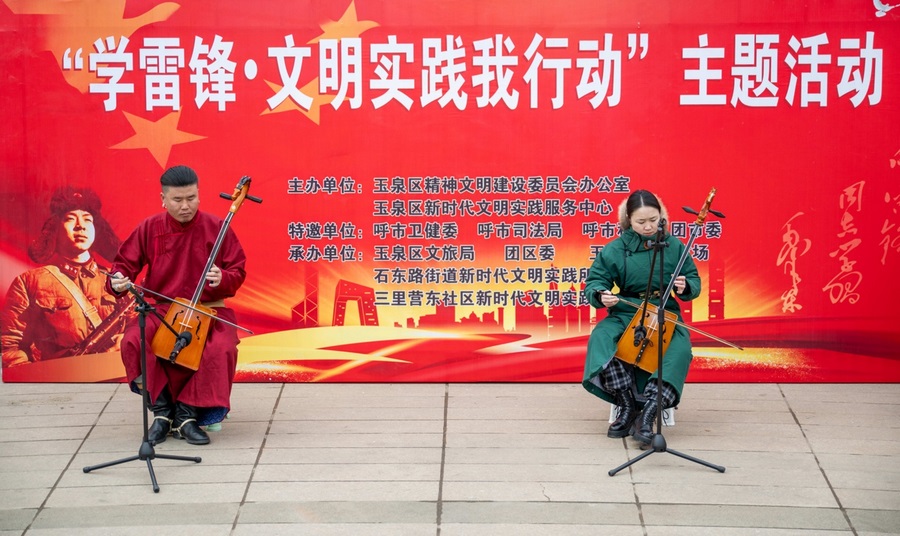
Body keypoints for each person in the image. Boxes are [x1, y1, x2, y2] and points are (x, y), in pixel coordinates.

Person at [108, 165, 247, 446]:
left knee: (221, 347)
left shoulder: (217, 227)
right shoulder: (149, 228)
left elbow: (237, 270)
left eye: (191, 198)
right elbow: (122, 266)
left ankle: (187, 414)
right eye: (177, 200)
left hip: (209, 309)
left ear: (199, 195)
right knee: (134, 341)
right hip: (163, 309)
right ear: (163, 199)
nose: (186, 206)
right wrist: (118, 281)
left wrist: (223, 277)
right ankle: (162, 412)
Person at [583, 189, 701, 444]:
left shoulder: (674, 246)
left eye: (653, 220)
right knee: (602, 337)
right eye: (641, 221)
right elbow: (595, 281)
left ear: (662, 216)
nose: (648, 227)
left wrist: (685, 286)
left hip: (664, 310)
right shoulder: (615, 249)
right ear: (628, 220)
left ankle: (648, 413)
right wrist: (601, 294)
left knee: (679, 350)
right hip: (627, 310)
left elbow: (693, 279)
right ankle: (625, 404)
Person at [2, 186, 128, 368]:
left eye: (88, 219)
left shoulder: (117, 279)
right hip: (57, 380)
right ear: (55, 228)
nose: (80, 226)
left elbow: (142, 330)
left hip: (113, 375)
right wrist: (39, 380)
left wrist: (127, 340)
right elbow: (9, 347)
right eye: (70, 218)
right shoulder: (29, 282)